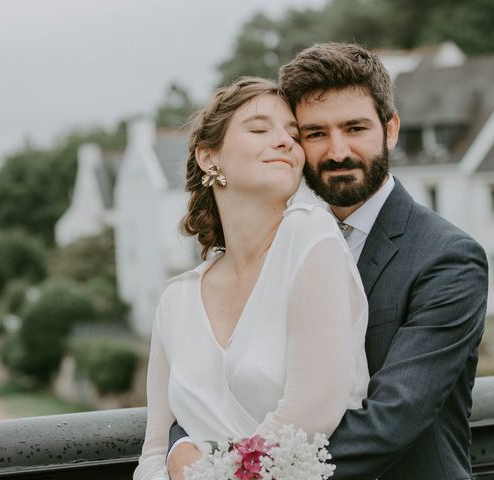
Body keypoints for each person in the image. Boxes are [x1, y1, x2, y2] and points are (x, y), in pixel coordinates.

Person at [167, 43, 489, 480]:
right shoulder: (269, 250)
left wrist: (236, 469)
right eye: (315, 134)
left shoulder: (448, 258)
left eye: (355, 129)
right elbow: (213, 382)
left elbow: (389, 422)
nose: (337, 152)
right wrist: (184, 447)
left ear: (390, 129)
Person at [133, 77, 370, 480]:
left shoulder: (312, 237)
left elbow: (311, 410)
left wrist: (208, 475)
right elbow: (154, 451)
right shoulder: (176, 300)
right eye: (260, 129)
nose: (285, 142)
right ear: (209, 158)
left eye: (292, 135)